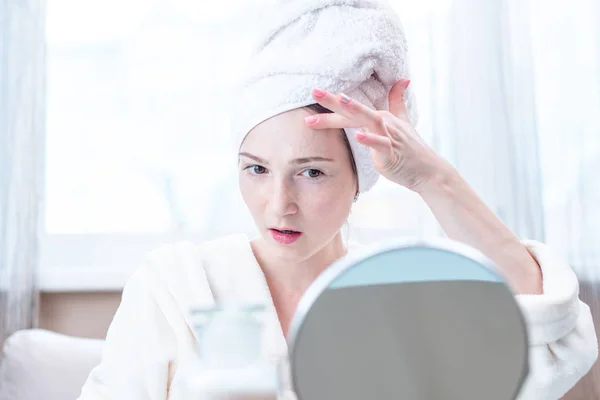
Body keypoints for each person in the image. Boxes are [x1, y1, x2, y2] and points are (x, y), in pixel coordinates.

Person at [77, 1, 597, 399]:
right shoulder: (176, 284)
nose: (278, 204)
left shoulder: (401, 292)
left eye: (311, 173)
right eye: (256, 169)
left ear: (360, 176)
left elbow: (556, 343)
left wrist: (432, 178)